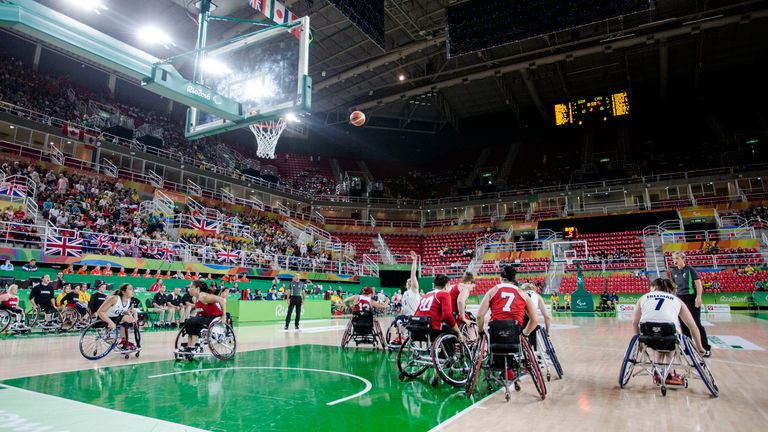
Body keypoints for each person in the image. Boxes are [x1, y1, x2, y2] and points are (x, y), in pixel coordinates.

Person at [632, 278, 706, 386]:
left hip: (648, 333)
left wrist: (638, 342)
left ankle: (657, 369)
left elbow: (634, 322)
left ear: (655, 288)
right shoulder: (676, 299)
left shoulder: (644, 297)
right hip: (669, 334)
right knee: (671, 335)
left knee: (655, 336)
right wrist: (700, 348)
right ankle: (670, 371)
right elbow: (693, 327)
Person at [476, 266, 538, 379]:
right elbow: (534, 320)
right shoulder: (522, 293)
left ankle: (500, 367)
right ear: (514, 279)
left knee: (495, 337)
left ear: (501, 277)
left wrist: (480, 331)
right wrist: (525, 334)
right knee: (513, 338)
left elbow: (479, 316)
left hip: (496, 330)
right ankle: (510, 367)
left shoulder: (493, 290)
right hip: (514, 331)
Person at [669, 252, 712, 357]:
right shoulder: (673, 271)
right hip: (680, 299)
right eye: (673, 258)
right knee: (683, 325)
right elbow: (674, 286)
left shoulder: (690, 270)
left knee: (696, 323)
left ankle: (705, 348)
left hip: (691, 298)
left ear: (683, 258)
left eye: (677, 258)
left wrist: (698, 297)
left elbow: (698, 284)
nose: (675, 260)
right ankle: (689, 348)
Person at [176, 280, 226, 355]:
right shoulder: (195, 298)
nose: (189, 288)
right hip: (205, 317)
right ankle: (189, 346)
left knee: (193, 321)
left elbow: (221, 300)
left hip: (214, 317)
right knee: (188, 321)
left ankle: (192, 346)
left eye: (191, 287)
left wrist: (224, 316)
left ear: (197, 289)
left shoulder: (203, 296)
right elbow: (200, 310)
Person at [413, 274, 462, 341]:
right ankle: (449, 351)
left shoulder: (427, 294)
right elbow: (447, 316)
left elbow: (416, 312)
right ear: (446, 285)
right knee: (452, 332)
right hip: (432, 328)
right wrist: (458, 331)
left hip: (418, 327)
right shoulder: (444, 294)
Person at [96, 283, 138, 350]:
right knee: (127, 318)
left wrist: (128, 312)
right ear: (123, 292)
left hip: (115, 318)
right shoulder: (114, 299)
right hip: (104, 318)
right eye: (130, 289)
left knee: (130, 319)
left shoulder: (128, 300)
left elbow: (120, 311)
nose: (132, 291)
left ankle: (123, 340)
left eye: (133, 289)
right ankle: (123, 341)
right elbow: (100, 312)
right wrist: (110, 322)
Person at [522, 282, 551, 349]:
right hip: (532, 319)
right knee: (533, 327)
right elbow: (547, 317)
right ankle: (534, 351)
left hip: (521, 318)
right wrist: (547, 332)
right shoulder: (537, 296)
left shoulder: (520, 294)